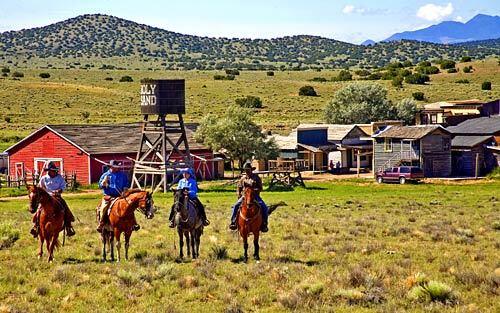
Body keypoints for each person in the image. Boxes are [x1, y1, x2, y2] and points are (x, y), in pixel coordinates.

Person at [30, 162, 76, 237]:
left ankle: (68, 226)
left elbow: (64, 186)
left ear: (54, 170)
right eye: (48, 170)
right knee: (39, 210)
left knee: (64, 207)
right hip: (46, 198)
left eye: (51, 170)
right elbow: (40, 187)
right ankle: (36, 226)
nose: (49, 171)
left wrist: (59, 190)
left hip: (57, 196)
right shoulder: (44, 178)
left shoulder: (59, 178)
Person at [96, 160, 137, 233]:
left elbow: (126, 184)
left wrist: (125, 188)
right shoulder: (105, 175)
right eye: (115, 167)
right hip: (108, 196)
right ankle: (101, 223)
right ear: (111, 167)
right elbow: (100, 186)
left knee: (129, 206)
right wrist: (103, 183)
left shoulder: (122, 175)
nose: (117, 168)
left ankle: (134, 223)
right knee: (103, 207)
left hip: (120, 195)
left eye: (117, 167)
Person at [229, 162, 269, 232]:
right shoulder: (243, 179)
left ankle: (264, 224)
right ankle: (233, 222)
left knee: (264, 207)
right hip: (245, 196)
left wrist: (254, 190)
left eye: (248, 169)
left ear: (251, 170)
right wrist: (239, 194)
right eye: (245, 170)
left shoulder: (256, 178)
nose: (247, 171)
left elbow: (260, 188)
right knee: (235, 206)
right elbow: (239, 188)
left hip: (255, 196)